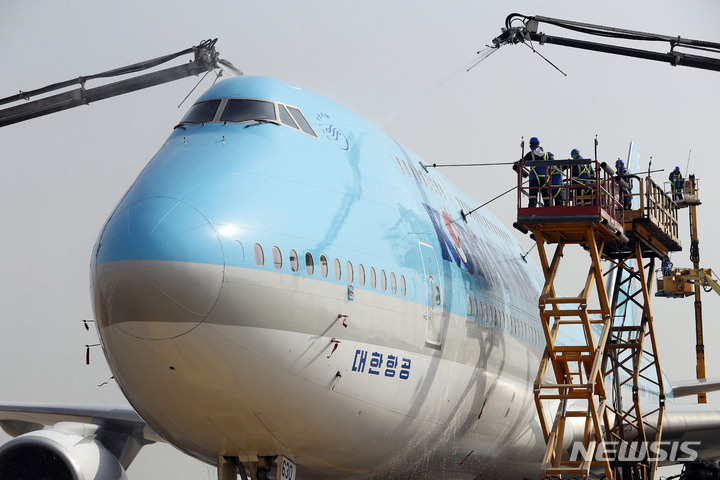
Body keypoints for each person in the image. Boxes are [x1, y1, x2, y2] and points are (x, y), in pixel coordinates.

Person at [516, 137, 548, 207]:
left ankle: (532, 208)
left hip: (535, 178)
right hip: (545, 178)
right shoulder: (546, 154)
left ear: (531, 145)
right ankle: (548, 207)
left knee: (533, 196)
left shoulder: (531, 154)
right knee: (546, 196)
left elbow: (522, 161)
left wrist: (517, 163)